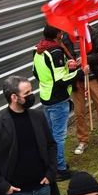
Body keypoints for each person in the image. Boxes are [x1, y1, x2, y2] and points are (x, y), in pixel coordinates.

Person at [32, 25, 78, 179]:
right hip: (58, 99)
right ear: (57, 34)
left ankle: (50, 164)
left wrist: (66, 66)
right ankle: (60, 169)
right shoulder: (56, 51)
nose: (63, 33)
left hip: (45, 97)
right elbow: (61, 80)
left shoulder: (38, 49)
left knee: (50, 134)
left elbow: (35, 72)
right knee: (59, 135)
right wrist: (78, 72)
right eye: (61, 31)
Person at [62, 25, 98, 156]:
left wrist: (88, 60)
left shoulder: (93, 33)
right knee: (79, 112)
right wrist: (69, 64)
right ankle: (82, 141)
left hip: (94, 78)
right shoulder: (66, 36)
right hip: (76, 79)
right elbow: (63, 59)